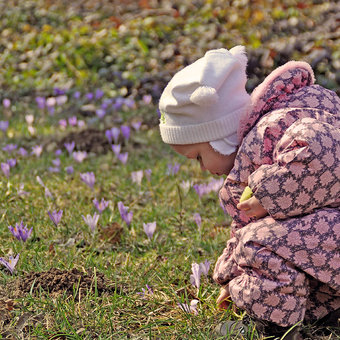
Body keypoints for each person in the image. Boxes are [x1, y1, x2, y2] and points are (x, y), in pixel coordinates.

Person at [158, 46, 340, 338]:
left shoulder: (269, 130)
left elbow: (323, 151)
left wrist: (270, 192)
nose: (203, 169)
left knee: (262, 243)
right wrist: (231, 279)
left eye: (198, 157)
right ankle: (324, 307)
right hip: (329, 239)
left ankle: (273, 325)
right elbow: (244, 228)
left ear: (219, 137)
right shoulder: (261, 145)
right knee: (268, 236)